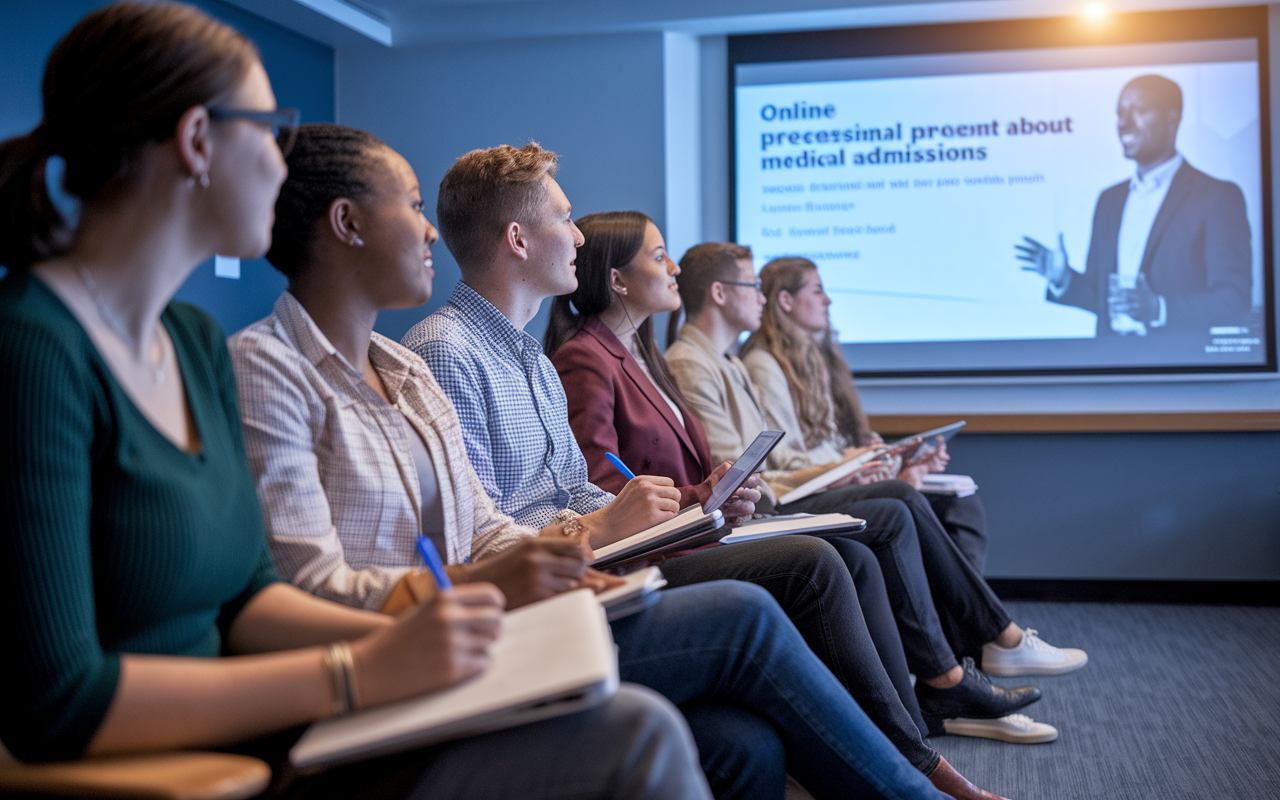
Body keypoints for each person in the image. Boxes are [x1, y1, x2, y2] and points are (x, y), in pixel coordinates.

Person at [0, 6, 711, 799]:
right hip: (211, 751)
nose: (281, 164)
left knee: (714, 740)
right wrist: (359, 669)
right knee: (638, 733)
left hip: (285, 707)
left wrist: (437, 626)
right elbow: (56, 702)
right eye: (269, 130)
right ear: (198, 141)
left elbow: (248, 598)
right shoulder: (35, 350)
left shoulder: (191, 340)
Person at [226, 122, 963, 800]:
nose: (428, 230)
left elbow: (485, 527)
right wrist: (562, 551)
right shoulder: (280, 365)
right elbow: (308, 586)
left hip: (498, 614)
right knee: (748, 610)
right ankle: (920, 786)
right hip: (421, 652)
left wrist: (570, 555)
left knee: (747, 746)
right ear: (347, 224)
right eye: (411, 205)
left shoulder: (405, 368)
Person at [403, 143, 1011, 799]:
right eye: (565, 218)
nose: (578, 235)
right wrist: (608, 525)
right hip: (558, 590)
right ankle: (919, 774)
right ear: (518, 240)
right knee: (809, 568)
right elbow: (478, 532)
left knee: (752, 738)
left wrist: (650, 508)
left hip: (597, 560)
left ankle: (912, 752)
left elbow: (568, 488)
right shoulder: (445, 351)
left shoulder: (534, 360)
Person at [547, 214, 1057, 749]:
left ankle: (912, 729)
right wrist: (706, 494)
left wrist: (720, 488)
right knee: (857, 538)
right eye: (658, 257)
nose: (672, 267)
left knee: (874, 545)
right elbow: (604, 485)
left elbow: (692, 466)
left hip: (708, 522)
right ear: (618, 280)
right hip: (664, 548)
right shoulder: (590, 358)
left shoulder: (644, 356)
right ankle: (923, 724)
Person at [664, 247, 1088, 695]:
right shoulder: (708, 362)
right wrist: (846, 468)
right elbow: (747, 473)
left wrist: (857, 462)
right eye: (753, 287)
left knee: (948, 507)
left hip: (782, 491)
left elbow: (777, 460)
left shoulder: (731, 361)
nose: (762, 298)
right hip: (768, 506)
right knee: (897, 505)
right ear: (720, 293)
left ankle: (968, 663)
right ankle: (980, 653)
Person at [715, 249, 985, 572]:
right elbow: (783, 458)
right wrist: (854, 463)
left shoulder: (815, 359)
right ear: (785, 301)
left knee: (959, 503)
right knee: (909, 503)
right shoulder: (763, 366)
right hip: (801, 488)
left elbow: (836, 440)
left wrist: (883, 455)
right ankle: (978, 620)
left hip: (827, 476)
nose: (828, 301)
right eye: (817, 291)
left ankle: (965, 619)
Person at [1017, 74, 1252, 336]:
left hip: (1179, 369)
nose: (1124, 123)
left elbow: (1234, 300)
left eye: (1139, 110)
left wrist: (1159, 309)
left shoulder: (1217, 196)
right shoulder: (1109, 200)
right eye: (1120, 113)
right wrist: (1064, 278)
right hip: (1110, 367)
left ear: (1172, 118)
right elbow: (1101, 300)